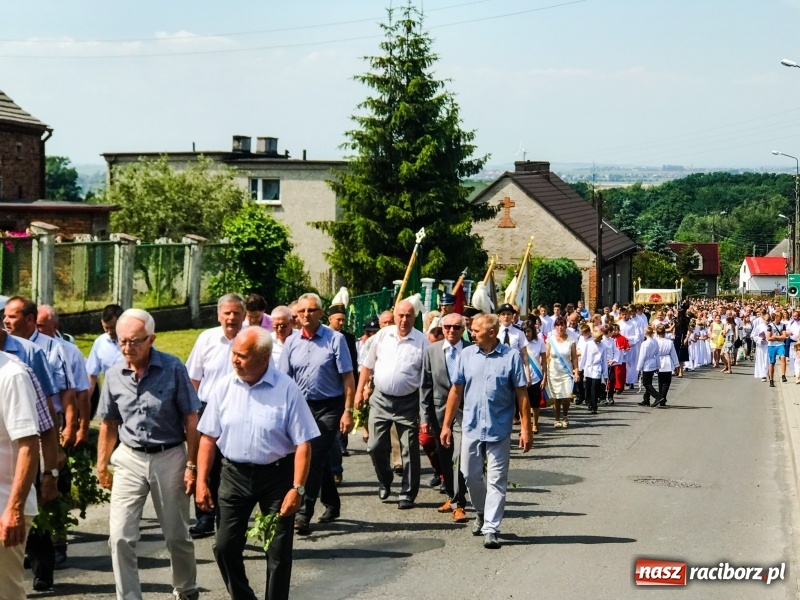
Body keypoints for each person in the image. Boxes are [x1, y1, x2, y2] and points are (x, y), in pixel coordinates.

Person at [196, 327, 319, 600]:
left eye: (242, 355)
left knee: (277, 551)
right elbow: (207, 438)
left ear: (263, 358)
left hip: (277, 477)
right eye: (234, 354)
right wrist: (201, 481)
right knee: (224, 546)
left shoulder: (286, 389)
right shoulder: (224, 387)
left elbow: (303, 444)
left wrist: (297, 489)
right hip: (233, 475)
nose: (235, 360)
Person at [96, 308, 201, 600]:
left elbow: (191, 419)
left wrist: (191, 464)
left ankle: (186, 589)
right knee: (119, 536)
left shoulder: (173, 368)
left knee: (176, 534)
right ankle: (128, 596)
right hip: (129, 457)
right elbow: (108, 423)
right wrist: (102, 464)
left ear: (151, 339)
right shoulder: (114, 374)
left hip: (169, 455)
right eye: (122, 341)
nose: (127, 347)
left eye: (135, 341)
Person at [440, 313, 532, 550]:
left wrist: (526, 428)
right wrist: (446, 424)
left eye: (476, 331)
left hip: (499, 429)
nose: (471, 334)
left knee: (496, 480)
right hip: (471, 427)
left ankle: (491, 528)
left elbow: (522, 394)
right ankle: (481, 512)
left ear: (491, 333)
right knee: (469, 475)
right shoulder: (467, 355)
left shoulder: (511, 357)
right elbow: (456, 391)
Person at [279, 293, 354, 534]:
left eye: (311, 310)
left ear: (321, 313)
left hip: (329, 407)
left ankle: (303, 513)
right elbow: (284, 380)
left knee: (313, 456)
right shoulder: (291, 342)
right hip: (302, 407)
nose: (306, 315)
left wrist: (348, 411)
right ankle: (332, 503)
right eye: (301, 311)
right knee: (317, 460)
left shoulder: (335, 339)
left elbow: (348, 377)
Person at [355, 300, 428, 509]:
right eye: (400, 315)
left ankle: (407, 493)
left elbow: (425, 379)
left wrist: (423, 411)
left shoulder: (422, 342)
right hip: (380, 399)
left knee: (409, 449)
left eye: (408, 316)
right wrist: (359, 392)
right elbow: (367, 366)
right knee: (375, 445)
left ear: (414, 318)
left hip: (408, 402)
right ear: (394, 316)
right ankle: (385, 479)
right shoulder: (382, 335)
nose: (404, 320)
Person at [185, 293, 246, 539]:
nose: (231, 317)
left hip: (240, 409)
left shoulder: (252, 338)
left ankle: (230, 518)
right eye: (227, 313)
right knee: (206, 464)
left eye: (236, 313)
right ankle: (205, 516)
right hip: (207, 408)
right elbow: (193, 378)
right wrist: (190, 413)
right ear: (219, 315)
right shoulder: (206, 338)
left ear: (244, 315)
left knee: (234, 465)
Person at [420, 313, 470, 523]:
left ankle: (459, 504)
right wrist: (424, 417)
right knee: (445, 456)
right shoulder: (431, 351)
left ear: (463, 329)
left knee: (459, 455)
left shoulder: (471, 350)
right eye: (447, 327)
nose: (451, 331)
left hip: (465, 411)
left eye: (456, 327)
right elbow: (425, 385)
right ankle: (451, 494)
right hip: (439, 412)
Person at [0, 351, 40, 600]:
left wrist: (14, 509)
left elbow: (29, 445)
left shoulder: (12, 375)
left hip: (4, 506)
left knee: (6, 593)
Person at [85, 304, 124, 417]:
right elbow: (91, 375)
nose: (109, 331)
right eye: (106, 328)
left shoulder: (136, 342)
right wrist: (85, 401)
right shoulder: (100, 343)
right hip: (110, 398)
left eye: (112, 327)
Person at [545, 316, 578, 428]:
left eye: (562, 325)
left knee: (566, 396)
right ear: (555, 326)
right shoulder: (550, 340)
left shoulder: (571, 340)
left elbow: (574, 358)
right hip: (553, 372)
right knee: (556, 397)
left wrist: (576, 372)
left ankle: (565, 416)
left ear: (565, 326)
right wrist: (544, 372)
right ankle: (557, 419)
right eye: (558, 325)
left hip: (566, 372)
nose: (560, 327)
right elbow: (546, 356)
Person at [523, 318, 547, 433]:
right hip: (522, 377)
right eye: (524, 331)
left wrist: (545, 377)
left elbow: (544, 362)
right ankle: (524, 426)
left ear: (533, 331)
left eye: (528, 331)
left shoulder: (540, 342)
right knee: (523, 404)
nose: (526, 334)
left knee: (535, 404)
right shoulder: (519, 343)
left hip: (536, 377)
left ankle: (535, 424)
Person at [579, 330, 607, 415]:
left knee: (595, 387)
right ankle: (589, 402)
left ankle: (594, 406)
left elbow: (604, 361)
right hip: (588, 367)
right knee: (588, 386)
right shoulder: (588, 344)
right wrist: (580, 368)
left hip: (597, 368)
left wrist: (605, 374)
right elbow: (584, 357)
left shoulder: (603, 346)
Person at [637, 327, 663, 407]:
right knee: (649, 382)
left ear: (645, 333)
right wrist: (658, 365)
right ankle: (646, 399)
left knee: (646, 383)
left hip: (647, 364)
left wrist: (639, 367)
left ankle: (658, 396)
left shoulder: (645, 343)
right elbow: (657, 354)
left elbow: (642, 356)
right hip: (653, 362)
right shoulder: (655, 341)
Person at [655, 325, 679, 405]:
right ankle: (663, 397)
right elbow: (673, 354)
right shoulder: (669, 342)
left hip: (658, 361)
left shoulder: (655, 341)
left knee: (660, 381)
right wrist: (676, 365)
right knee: (667, 382)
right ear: (665, 332)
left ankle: (661, 398)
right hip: (667, 361)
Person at [766, 313, 787, 387]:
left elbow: (784, 336)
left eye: (781, 317)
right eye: (779, 317)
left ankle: (783, 375)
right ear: (775, 317)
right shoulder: (770, 325)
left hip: (780, 344)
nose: (780, 318)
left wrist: (775, 337)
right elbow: (768, 338)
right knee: (772, 362)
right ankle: (771, 380)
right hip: (772, 346)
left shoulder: (783, 325)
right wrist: (779, 337)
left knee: (783, 357)